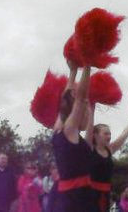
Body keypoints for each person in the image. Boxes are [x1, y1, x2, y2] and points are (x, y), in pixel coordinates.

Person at [52, 62, 94, 211]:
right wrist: (88, 64)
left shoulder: (58, 128)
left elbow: (66, 100)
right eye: (85, 111)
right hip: (76, 200)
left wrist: (73, 71)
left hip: (69, 196)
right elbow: (80, 98)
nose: (87, 114)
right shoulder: (69, 129)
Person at [86, 109, 128, 212]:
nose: (109, 136)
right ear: (95, 135)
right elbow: (89, 128)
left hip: (106, 194)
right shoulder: (89, 148)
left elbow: (125, 133)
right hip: (90, 194)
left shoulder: (110, 149)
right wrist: (91, 108)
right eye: (106, 134)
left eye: (110, 134)